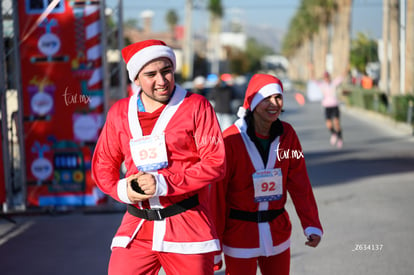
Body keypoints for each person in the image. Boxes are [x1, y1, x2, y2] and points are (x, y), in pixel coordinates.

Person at [91, 39, 226, 275]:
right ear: (136, 79)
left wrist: (163, 183)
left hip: (188, 226)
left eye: (166, 71)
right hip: (137, 227)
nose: (161, 81)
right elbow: (103, 165)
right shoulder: (120, 112)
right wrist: (124, 189)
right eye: (151, 74)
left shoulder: (197, 106)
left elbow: (215, 162)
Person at [210, 74, 323, 275]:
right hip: (240, 235)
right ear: (253, 103)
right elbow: (217, 196)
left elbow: (299, 182)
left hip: (277, 232)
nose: (274, 104)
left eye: (278, 97)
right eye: (266, 98)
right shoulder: (230, 140)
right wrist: (214, 246)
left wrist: (311, 224)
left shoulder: (288, 135)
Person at [312, 67, 346, 148]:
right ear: (324, 78)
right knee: (329, 125)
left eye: (327, 77)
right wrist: (311, 69)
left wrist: (347, 67)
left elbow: (342, 76)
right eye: (325, 77)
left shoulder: (333, 83)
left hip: (334, 105)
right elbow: (313, 79)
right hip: (327, 107)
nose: (326, 78)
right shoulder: (322, 85)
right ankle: (334, 133)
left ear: (329, 77)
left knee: (336, 123)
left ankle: (340, 138)